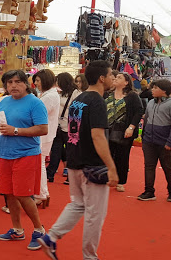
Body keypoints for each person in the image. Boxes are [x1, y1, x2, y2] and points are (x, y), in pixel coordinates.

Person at [38, 61, 118, 260]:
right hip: (92, 164)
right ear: (102, 78)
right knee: (95, 215)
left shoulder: (79, 99)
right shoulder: (97, 101)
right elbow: (97, 136)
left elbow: (73, 133)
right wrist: (111, 166)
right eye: (111, 75)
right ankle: (89, 256)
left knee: (78, 205)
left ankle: (52, 237)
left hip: (75, 161)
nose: (112, 79)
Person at [0, 69, 48, 251]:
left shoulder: (35, 104)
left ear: (26, 84)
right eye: (9, 83)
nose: (13, 86)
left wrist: (16, 130)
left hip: (26, 154)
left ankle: (39, 230)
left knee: (23, 194)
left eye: (17, 82)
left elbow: (42, 129)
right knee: (9, 193)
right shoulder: (3, 102)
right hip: (5, 154)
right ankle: (17, 229)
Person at [138, 79, 171, 202]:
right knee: (149, 166)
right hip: (149, 141)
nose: (152, 90)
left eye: (155, 88)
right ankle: (149, 191)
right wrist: (144, 137)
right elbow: (146, 120)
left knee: (168, 167)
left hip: (165, 143)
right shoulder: (151, 103)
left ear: (164, 91)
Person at [105, 72, 143, 192]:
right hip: (107, 128)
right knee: (108, 154)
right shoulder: (107, 94)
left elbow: (139, 111)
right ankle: (108, 177)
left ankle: (121, 181)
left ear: (126, 82)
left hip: (123, 129)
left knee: (122, 156)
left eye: (119, 78)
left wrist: (131, 127)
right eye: (115, 77)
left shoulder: (132, 96)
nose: (116, 79)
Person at [47, 72, 82, 184]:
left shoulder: (76, 93)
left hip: (70, 127)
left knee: (71, 152)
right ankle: (50, 174)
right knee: (56, 150)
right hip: (58, 126)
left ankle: (71, 177)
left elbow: (78, 111)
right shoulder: (60, 93)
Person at [32, 69, 60, 205]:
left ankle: (41, 193)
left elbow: (37, 113)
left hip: (43, 135)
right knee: (39, 164)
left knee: (39, 164)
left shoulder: (49, 96)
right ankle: (43, 193)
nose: (36, 83)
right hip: (45, 133)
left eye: (38, 80)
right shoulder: (49, 94)